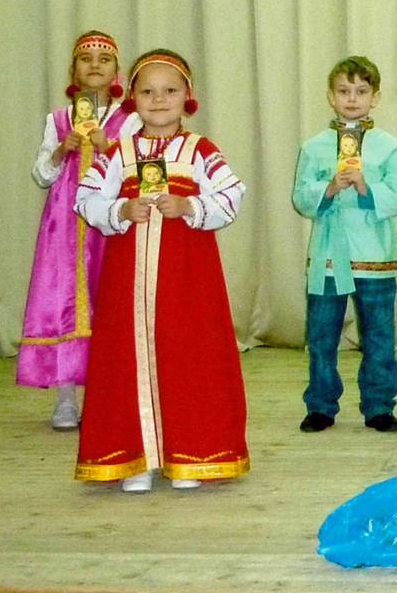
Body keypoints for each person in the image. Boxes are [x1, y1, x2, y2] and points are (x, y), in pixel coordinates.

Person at [74, 49, 248, 492]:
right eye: (148, 91)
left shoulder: (200, 150)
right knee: (125, 361)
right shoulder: (118, 152)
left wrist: (190, 206)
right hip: (127, 283)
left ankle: (189, 455)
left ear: (187, 95)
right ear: (132, 97)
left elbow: (232, 193)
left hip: (188, 281)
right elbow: (86, 198)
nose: (158, 99)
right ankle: (134, 459)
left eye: (170, 90)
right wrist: (120, 210)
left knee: (188, 359)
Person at [20, 31, 140, 430]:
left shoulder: (131, 118)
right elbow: (42, 174)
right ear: (73, 69)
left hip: (112, 225)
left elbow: (138, 170)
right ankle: (66, 397)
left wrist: (109, 147)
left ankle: (106, 398)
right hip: (65, 227)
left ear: (117, 70)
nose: (95, 65)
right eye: (86, 59)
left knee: (110, 304)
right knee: (65, 305)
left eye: (104, 60)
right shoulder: (58, 119)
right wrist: (61, 150)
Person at [292, 56, 397, 434]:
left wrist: (366, 188)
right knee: (321, 336)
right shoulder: (314, 147)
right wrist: (328, 188)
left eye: (361, 91)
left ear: (375, 97)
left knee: (379, 336)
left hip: (374, 255)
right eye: (344, 91)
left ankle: (379, 406)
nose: (352, 99)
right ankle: (320, 405)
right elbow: (301, 196)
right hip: (328, 257)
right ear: (331, 96)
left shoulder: (389, 147)